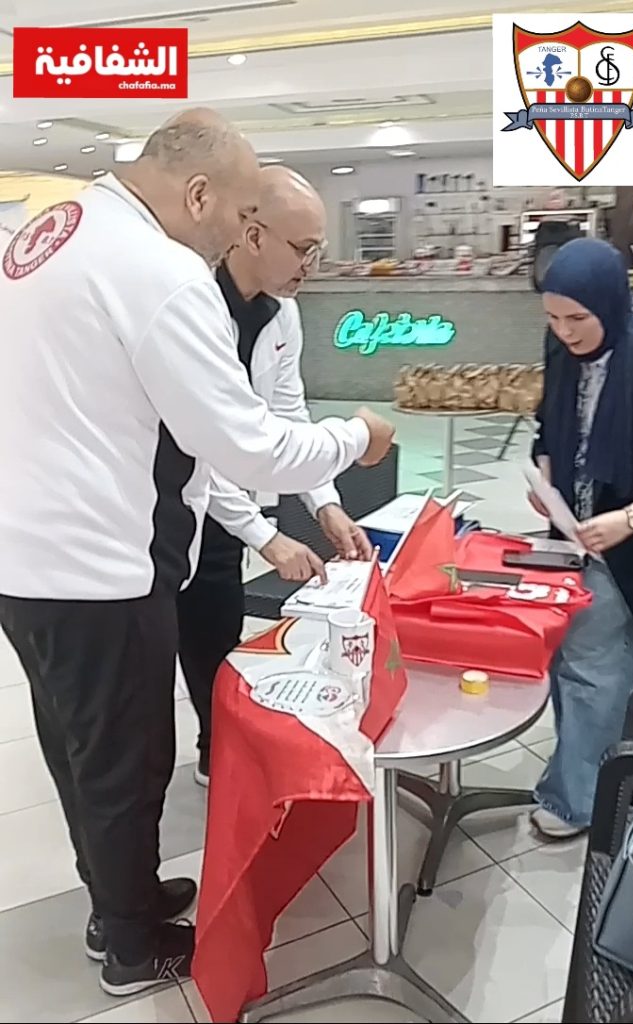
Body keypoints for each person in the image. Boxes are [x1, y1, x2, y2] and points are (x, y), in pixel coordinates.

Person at [0, 108, 394, 996]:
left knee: (77, 746)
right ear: (200, 193)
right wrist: (357, 436)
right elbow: (246, 447)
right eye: (240, 213)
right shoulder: (161, 270)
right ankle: (132, 944)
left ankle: (120, 900)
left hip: (25, 555)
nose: (236, 235)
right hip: (98, 564)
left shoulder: (53, 230)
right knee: (127, 759)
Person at [177, 165, 373, 785]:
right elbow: (198, 440)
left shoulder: (282, 312)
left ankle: (222, 743)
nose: (310, 265)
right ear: (252, 234)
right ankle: (209, 751)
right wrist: (266, 537)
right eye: (302, 248)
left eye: (318, 250)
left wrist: (325, 505)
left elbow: (287, 414)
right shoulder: (192, 302)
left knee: (220, 618)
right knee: (189, 627)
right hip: (171, 499)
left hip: (230, 496)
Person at [530, 237, 633, 839]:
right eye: (553, 318)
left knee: (596, 668)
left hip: (632, 546)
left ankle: (579, 802)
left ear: (611, 305)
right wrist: (544, 481)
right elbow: (547, 429)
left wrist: (629, 519)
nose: (565, 332)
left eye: (577, 319)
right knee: (574, 661)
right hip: (570, 535)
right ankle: (605, 780)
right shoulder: (561, 349)